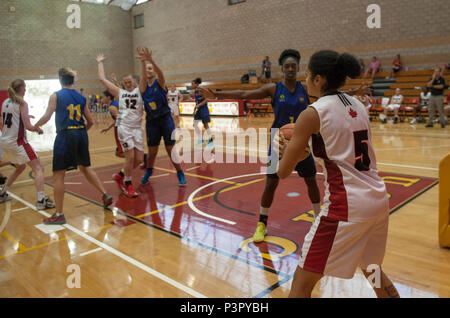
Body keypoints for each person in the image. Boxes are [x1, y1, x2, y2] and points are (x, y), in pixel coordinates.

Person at [276, 50, 399, 298]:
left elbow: (282, 172)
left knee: (301, 283)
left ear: (319, 79)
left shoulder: (312, 113)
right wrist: (305, 151)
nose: (306, 80)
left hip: (346, 208)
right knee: (374, 271)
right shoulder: (358, 105)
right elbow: (341, 150)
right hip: (377, 200)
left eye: (308, 75)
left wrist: (288, 151)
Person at [199, 49, 322, 243]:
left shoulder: (305, 89)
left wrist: (352, 94)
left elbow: (328, 94)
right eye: (287, 66)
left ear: (298, 68)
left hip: (301, 141)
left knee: (311, 181)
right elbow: (245, 93)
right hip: (278, 141)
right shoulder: (274, 89)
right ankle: (262, 224)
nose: (290, 69)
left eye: (294, 66)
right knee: (271, 184)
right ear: (282, 69)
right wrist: (218, 94)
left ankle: (318, 219)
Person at [34, 68, 113, 225]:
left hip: (65, 136)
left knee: (58, 175)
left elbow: (47, 116)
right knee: (85, 167)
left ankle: (59, 214)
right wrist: (80, 133)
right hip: (81, 135)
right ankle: (104, 194)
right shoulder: (80, 97)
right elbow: (90, 121)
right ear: (73, 80)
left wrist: (35, 126)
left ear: (60, 79)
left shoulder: (56, 95)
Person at [0, 79, 55, 210]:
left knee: (20, 167)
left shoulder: (5, 102)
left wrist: (25, 116)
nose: (26, 89)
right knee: (38, 168)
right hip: (17, 142)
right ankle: (41, 200)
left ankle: (2, 193)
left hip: (5, 141)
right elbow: (28, 127)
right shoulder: (22, 103)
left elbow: (7, 120)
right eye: (25, 87)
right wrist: (38, 128)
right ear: (22, 88)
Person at [137, 47, 186, 186]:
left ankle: (180, 173)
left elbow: (160, 73)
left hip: (165, 120)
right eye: (146, 69)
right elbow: (142, 76)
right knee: (152, 152)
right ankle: (149, 171)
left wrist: (150, 59)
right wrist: (143, 62)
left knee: (170, 149)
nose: (148, 70)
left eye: (150, 68)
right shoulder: (143, 87)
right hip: (152, 122)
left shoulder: (160, 82)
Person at [97, 54, 145, 197]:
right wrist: (100, 63)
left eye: (130, 81)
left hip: (137, 128)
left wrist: (143, 61)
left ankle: (120, 175)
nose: (128, 84)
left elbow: (143, 77)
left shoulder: (139, 91)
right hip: (124, 128)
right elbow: (102, 79)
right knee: (129, 158)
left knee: (139, 160)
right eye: (125, 82)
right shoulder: (120, 92)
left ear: (134, 82)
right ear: (123, 84)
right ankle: (129, 185)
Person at [99, 90, 125, 159]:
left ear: (108, 97)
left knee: (121, 152)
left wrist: (120, 132)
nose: (102, 98)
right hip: (122, 128)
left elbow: (120, 120)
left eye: (104, 97)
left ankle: (139, 158)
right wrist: (108, 128)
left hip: (121, 130)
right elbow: (118, 119)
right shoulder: (114, 104)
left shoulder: (112, 108)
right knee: (118, 152)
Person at [192, 77, 214, 147]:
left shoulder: (201, 90)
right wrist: (195, 108)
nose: (191, 85)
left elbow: (207, 99)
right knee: (195, 124)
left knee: (206, 125)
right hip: (199, 110)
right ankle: (200, 139)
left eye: (192, 84)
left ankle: (211, 140)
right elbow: (198, 101)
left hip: (204, 110)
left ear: (196, 84)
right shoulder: (195, 91)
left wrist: (199, 105)